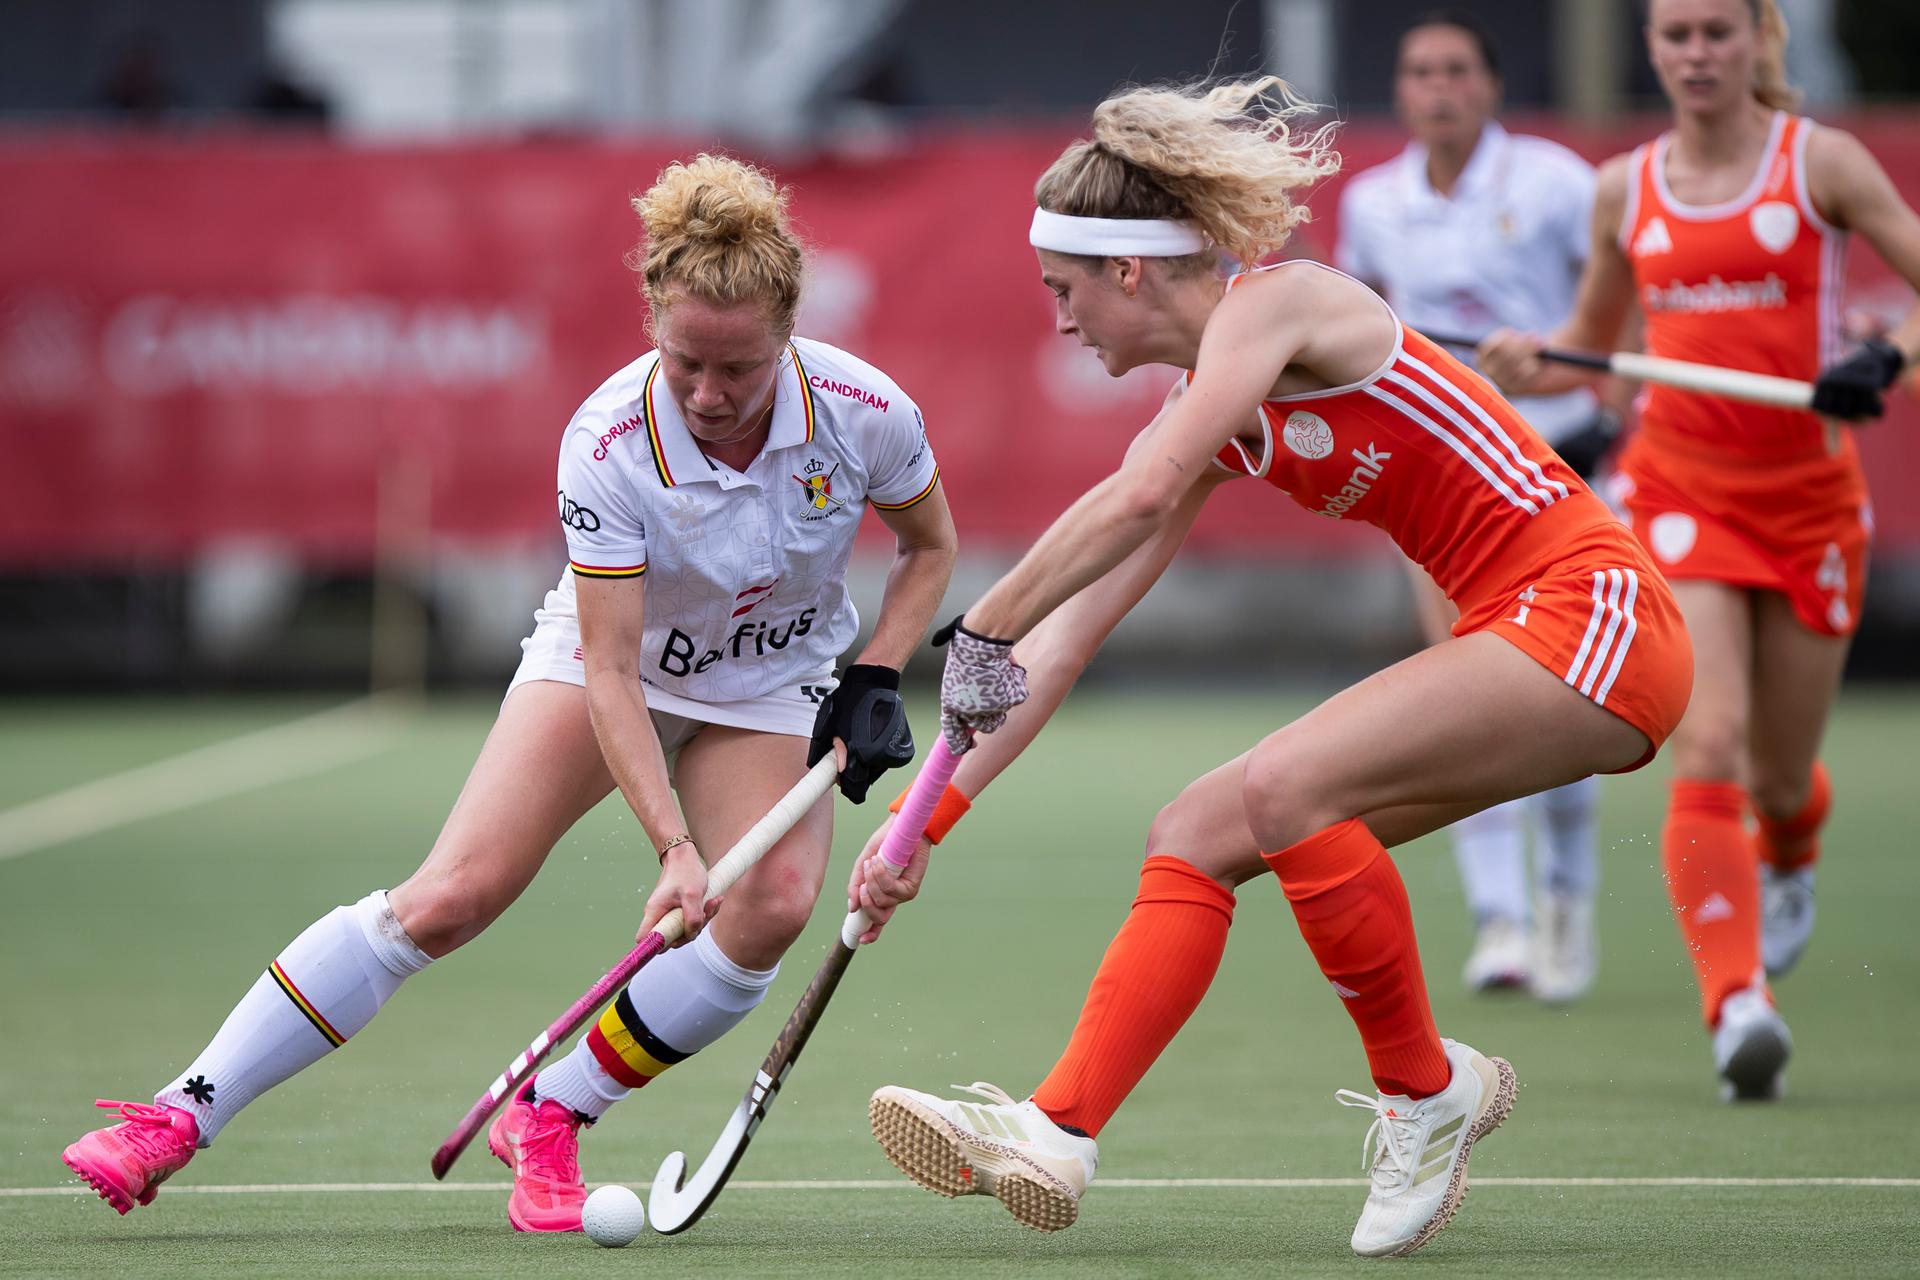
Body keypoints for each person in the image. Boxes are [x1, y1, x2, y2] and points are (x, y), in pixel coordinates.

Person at [847, 76, 1691, 1259]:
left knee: (1286, 783)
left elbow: (1127, 502)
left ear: (1127, 270)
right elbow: (1066, 639)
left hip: (1595, 610)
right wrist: (923, 820)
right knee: (1195, 827)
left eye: (1064, 288)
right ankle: (1061, 1125)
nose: (1059, 319)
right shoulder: (1208, 407)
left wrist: (978, 617)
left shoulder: (1283, 303)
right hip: (1520, 639)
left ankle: (1425, 1088)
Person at [60, 154, 957, 1232]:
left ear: (789, 333)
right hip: (610, 663)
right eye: (686, 365)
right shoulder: (609, 443)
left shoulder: (865, 411)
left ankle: (553, 1108)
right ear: (651, 328)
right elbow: (618, 667)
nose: (712, 396)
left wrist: (874, 669)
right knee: (448, 897)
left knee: (768, 906)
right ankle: (178, 1114)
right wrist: (674, 845)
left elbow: (929, 546)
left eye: (741, 370)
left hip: (770, 676)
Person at [1480, 0, 1920, 1099]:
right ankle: (1738, 1008)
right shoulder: (1625, 188)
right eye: (1675, 35)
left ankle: (1794, 840)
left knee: (1778, 770)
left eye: (1717, 32)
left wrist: (1892, 358)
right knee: (1708, 736)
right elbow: (1594, 353)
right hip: (1679, 491)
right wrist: (1525, 359)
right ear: (1654, 49)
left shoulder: (1823, 163)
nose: (1695, 54)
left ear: (1760, 38)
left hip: (1813, 500)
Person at [1338, 9, 1617, 1002]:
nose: (1438, 87)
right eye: (1419, 71)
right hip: (1445, 486)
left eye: (1457, 70)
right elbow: (1362, 336)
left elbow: (1616, 313)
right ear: (1402, 90)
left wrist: (1554, 352)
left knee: (1566, 698)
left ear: (1491, 86)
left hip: (1566, 473)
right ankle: (1500, 919)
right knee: (1461, 692)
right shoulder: (1374, 202)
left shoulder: (1555, 185)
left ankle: (1567, 901)